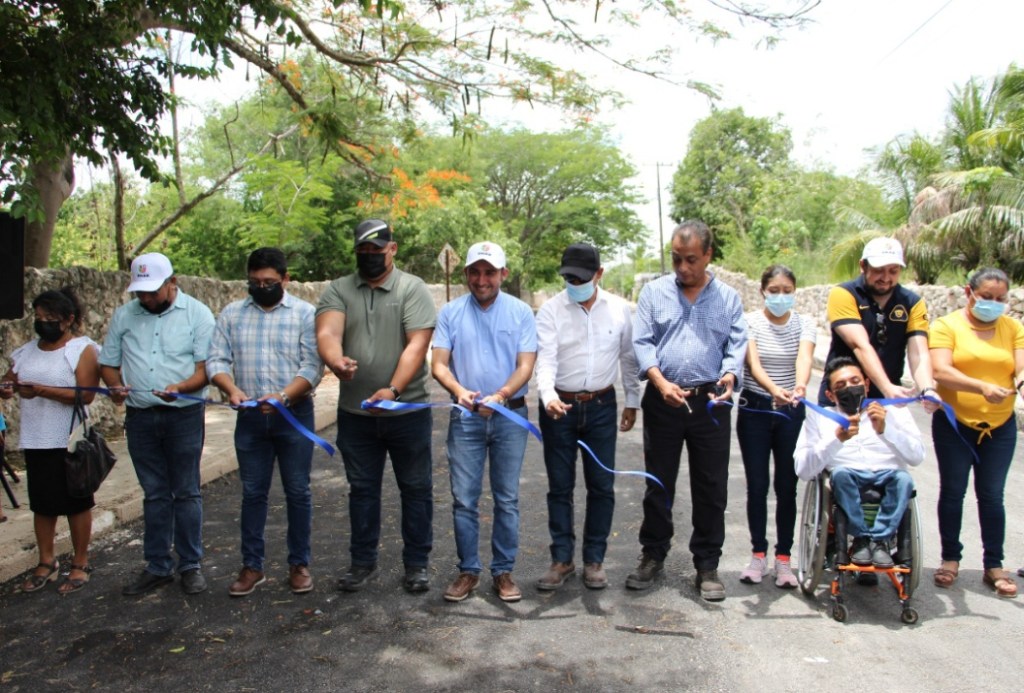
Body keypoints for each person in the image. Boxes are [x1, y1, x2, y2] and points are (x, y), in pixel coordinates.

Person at [629, 220, 747, 602]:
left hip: (710, 403)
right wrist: (659, 382)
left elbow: (737, 344)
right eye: (676, 259)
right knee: (658, 483)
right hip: (663, 401)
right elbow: (642, 342)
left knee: (711, 485)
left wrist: (730, 374)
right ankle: (653, 554)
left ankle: (707, 564)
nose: (682, 268)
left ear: (708, 255)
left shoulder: (728, 298)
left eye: (691, 259)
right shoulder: (654, 293)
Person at [315, 219, 436, 594]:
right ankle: (362, 562)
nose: (369, 256)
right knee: (362, 490)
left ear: (392, 249)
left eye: (377, 249)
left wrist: (393, 390)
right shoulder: (339, 289)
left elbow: (417, 345)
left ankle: (417, 564)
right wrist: (335, 361)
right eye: (363, 250)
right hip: (356, 415)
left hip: (407, 412)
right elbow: (328, 332)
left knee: (415, 489)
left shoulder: (412, 288)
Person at [208, 248, 324, 596]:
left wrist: (284, 397)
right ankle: (252, 566)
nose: (261, 287)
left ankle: (299, 564)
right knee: (253, 493)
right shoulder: (231, 314)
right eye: (255, 282)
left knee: (298, 491)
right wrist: (230, 389)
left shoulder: (304, 314)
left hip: (293, 415)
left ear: (285, 279)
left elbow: (312, 367)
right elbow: (216, 360)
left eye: (269, 282)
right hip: (250, 418)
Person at [100, 253, 216, 596]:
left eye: (153, 291)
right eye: (141, 292)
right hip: (140, 418)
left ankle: (190, 565)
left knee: (186, 491)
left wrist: (180, 388)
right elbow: (108, 363)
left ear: (172, 282)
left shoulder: (197, 314)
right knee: (154, 493)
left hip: (183, 415)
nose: (146, 298)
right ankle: (157, 566)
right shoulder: (124, 315)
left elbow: (205, 370)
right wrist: (114, 387)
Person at [432, 241, 537, 603]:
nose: (481, 280)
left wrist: (502, 395)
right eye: (475, 272)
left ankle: (503, 572)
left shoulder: (521, 312)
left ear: (503, 274)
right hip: (466, 418)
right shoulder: (450, 313)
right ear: (465, 273)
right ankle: (468, 571)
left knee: (507, 498)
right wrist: (459, 391)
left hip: (510, 416)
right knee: (464, 499)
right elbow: (439, 364)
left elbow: (526, 365)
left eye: (489, 272)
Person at [534, 243, 641, 591]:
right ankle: (562, 560)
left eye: (581, 278)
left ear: (599, 274)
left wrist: (632, 401)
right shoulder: (550, 311)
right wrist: (548, 397)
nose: (575, 284)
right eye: (569, 278)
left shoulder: (619, 310)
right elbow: (545, 360)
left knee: (602, 485)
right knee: (559, 487)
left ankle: (594, 560)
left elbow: (628, 358)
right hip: (559, 408)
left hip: (601, 406)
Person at [929, 267, 1024, 599]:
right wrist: (981, 386)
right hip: (955, 425)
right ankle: (950, 559)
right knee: (953, 492)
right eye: (986, 297)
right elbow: (940, 370)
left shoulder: (1013, 328)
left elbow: (1021, 366)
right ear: (969, 293)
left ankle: (994, 565)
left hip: (1000, 426)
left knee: (993, 495)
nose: (994, 303)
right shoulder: (946, 326)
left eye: (1000, 298)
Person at [1, 288, 100, 594]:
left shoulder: (82, 349)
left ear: (68, 319)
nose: (42, 323)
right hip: (36, 438)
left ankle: (80, 561)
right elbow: (10, 380)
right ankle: (46, 561)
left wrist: (42, 391)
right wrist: (7, 388)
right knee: (42, 504)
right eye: (39, 317)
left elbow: (86, 394)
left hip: (69, 440)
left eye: (50, 318)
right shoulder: (26, 352)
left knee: (76, 503)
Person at [796, 357, 924, 567]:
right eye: (841, 385)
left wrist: (885, 429)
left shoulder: (894, 411)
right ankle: (861, 538)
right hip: (846, 476)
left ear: (866, 384)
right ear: (830, 395)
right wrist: (837, 439)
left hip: (889, 474)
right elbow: (803, 470)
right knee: (841, 474)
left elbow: (917, 457)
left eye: (855, 382)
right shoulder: (820, 418)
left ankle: (879, 540)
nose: (850, 388)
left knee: (904, 480)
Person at [737, 265, 815, 589]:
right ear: (762, 291)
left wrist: (800, 386)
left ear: (794, 292)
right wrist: (773, 390)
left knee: (787, 487)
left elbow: (804, 358)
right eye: (774, 290)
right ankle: (758, 554)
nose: (780, 296)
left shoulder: (804, 323)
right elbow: (752, 363)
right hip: (754, 409)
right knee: (757, 486)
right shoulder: (749, 322)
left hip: (790, 411)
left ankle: (784, 558)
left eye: (787, 291)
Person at [819, 237, 940, 407]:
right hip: (841, 398)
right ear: (863, 266)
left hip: (888, 399)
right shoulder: (843, 294)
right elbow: (860, 345)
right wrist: (886, 387)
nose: (886, 277)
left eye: (893, 271)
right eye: (878, 270)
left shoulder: (913, 303)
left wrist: (927, 389)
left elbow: (918, 353)